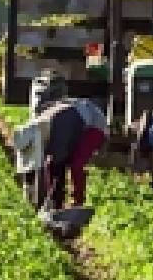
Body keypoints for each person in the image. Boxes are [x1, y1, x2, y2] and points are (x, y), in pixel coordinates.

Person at [13, 96, 109, 237]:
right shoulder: (39, 128)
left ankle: (77, 205)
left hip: (94, 125)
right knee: (54, 165)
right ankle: (56, 206)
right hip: (76, 124)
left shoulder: (56, 129)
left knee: (76, 164)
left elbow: (59, 161)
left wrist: (48, 193)